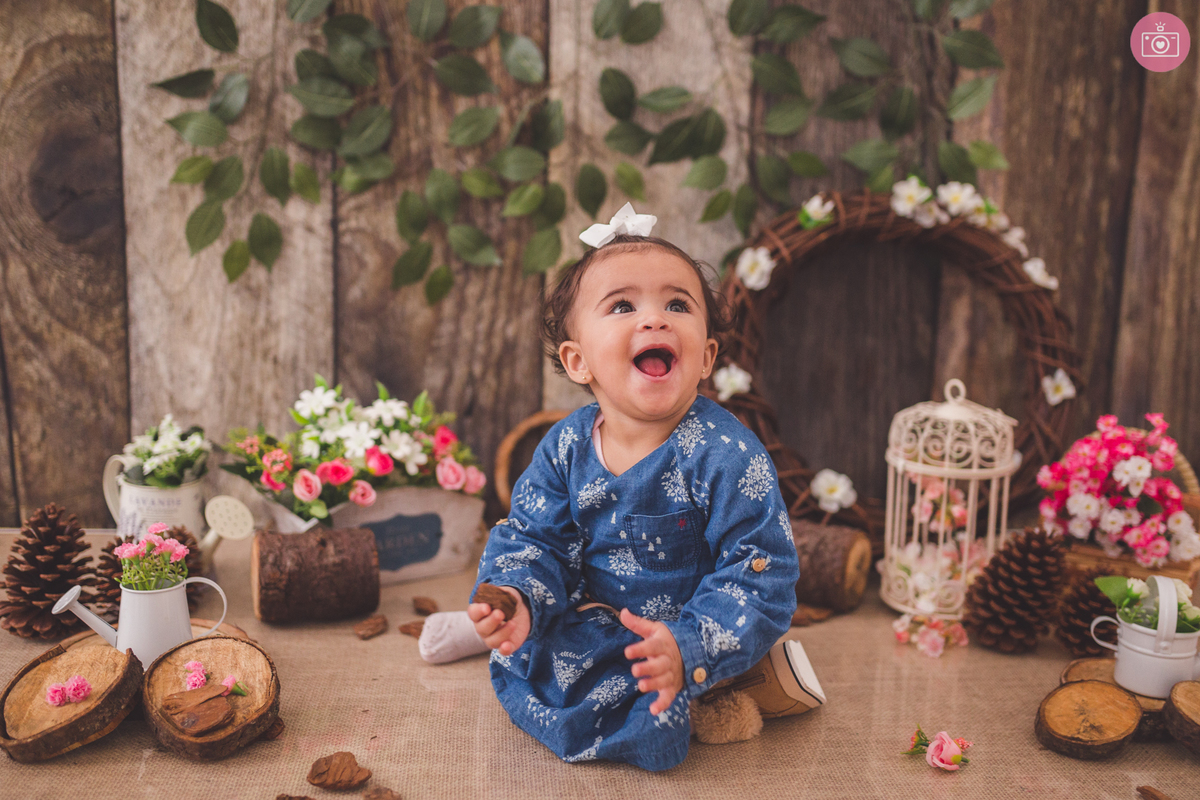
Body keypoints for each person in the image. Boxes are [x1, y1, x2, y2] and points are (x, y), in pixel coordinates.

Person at [468, 204, 800, 771]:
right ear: (578, 362)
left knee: (663, 689)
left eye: (677, 304)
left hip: (686, 626)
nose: (655, 320)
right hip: (596, 616)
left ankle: (715, 679)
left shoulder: (727, 454)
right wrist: (518, 596)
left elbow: (758, 568)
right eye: (623, 306)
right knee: (525, 654)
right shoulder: (565, 447)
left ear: (706, 359)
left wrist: (688, 645)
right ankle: (534, 632)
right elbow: (534, 538)